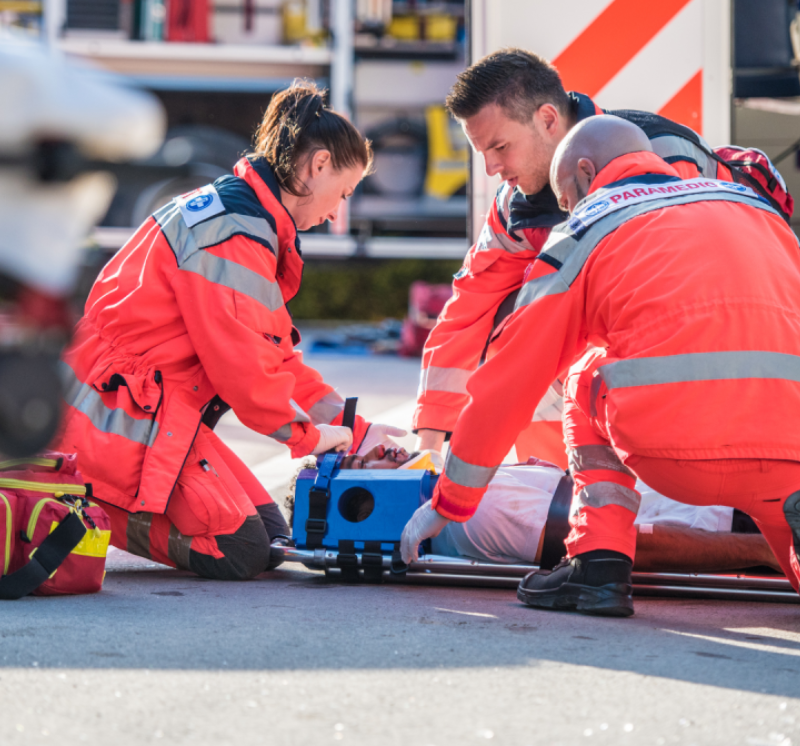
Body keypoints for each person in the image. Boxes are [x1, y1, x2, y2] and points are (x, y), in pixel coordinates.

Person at [401, 115, 800, 617]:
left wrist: (450, 502)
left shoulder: (589, 225)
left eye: (566, 198)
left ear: (586, 174)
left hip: (677, 453)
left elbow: (511, 375)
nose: (566, 210)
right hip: (788, 455)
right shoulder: (751, 207)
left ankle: (598, 563)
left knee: (588, 369)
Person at [55, 81, 405, 581]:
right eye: (342, 194)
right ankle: (87, 496)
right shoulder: (234, 234)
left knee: (271, 539)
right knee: (241, 551)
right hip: (117, 417)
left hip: (146, 410)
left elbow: (275, 358)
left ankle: (103, 489)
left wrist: (359, 432)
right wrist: (310, 437)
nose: (335, 213)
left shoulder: (245, 220)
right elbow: (248, 375)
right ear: (318, 165)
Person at [413, 48, 791, 470]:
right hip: (665, 353)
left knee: (548, 348)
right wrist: (428, 442)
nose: (490, 168)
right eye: (482, 151)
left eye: (500, 146)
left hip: (722, 360)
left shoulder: (663, 158)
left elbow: (691, 297)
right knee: (511, 336)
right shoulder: (515, 207)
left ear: (548, 120)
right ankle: (557, 488)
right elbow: (469, 310)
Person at [285, 446, 779, 574]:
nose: (380, 452)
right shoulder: (466, 517)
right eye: (360, 465)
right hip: (726, 514)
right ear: (358, 495)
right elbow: (627, 544)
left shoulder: (459, 490)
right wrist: (766, 550)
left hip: (725, 488)